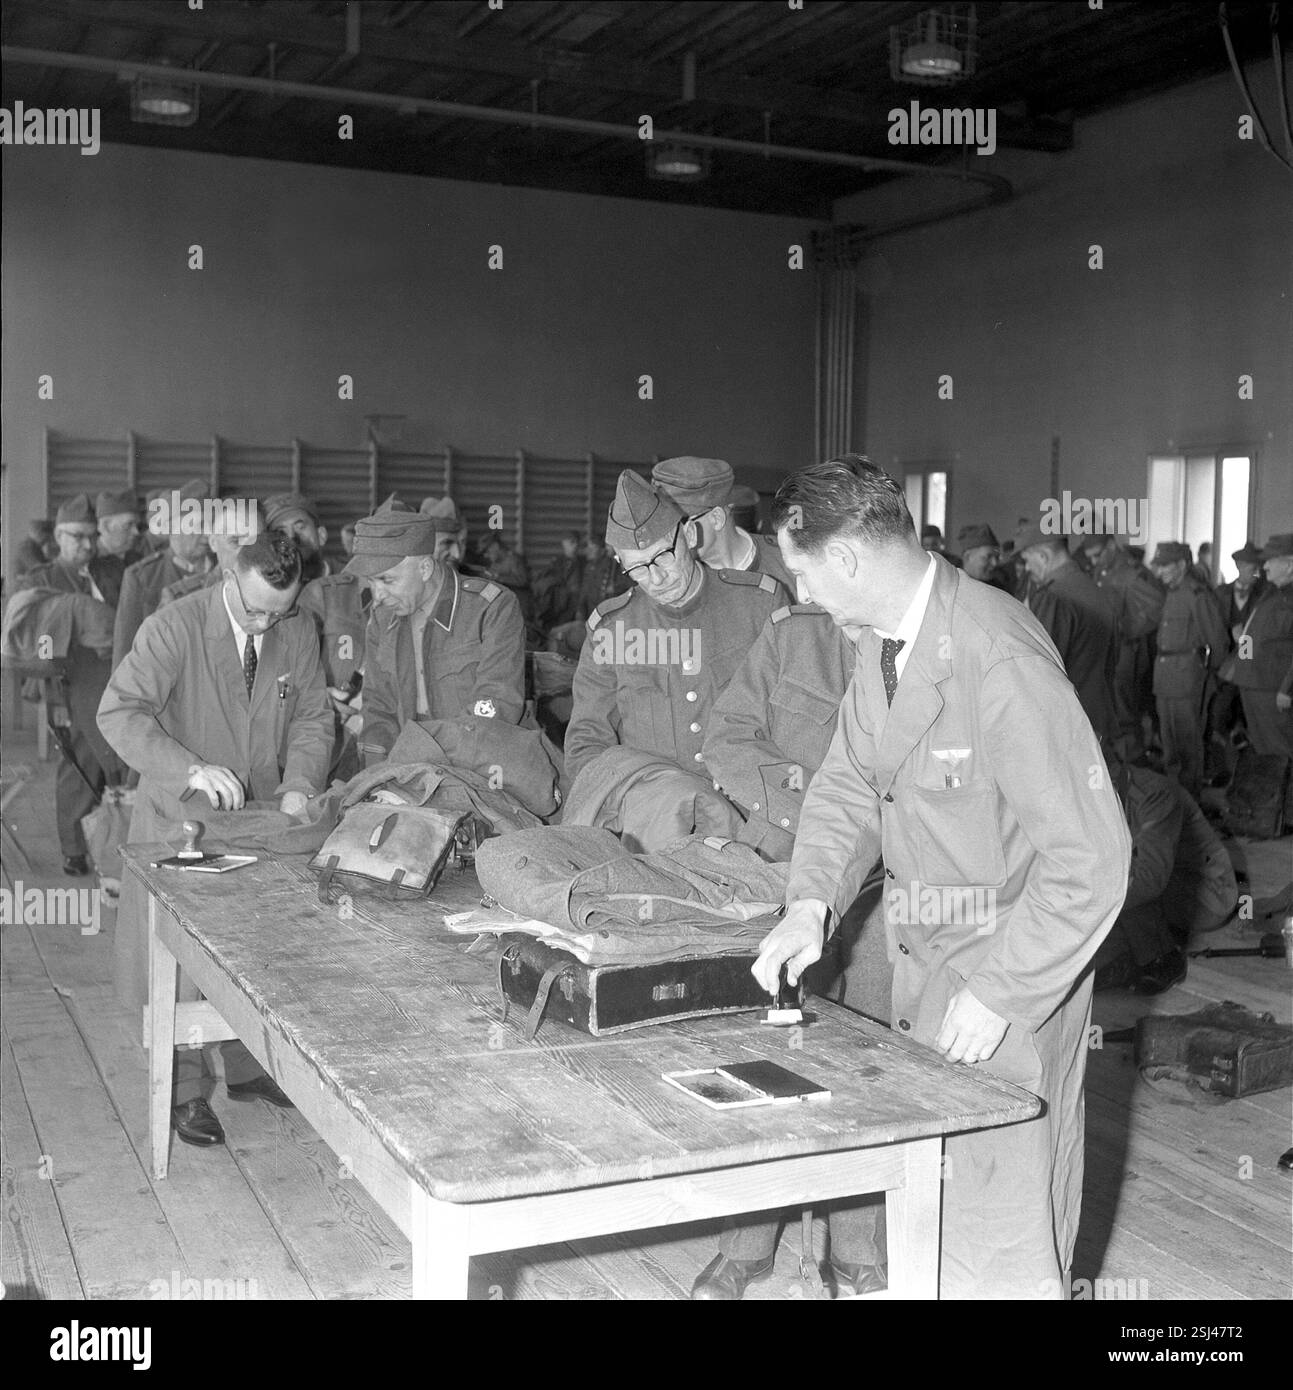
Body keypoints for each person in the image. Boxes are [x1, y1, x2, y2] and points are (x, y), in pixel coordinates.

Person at [752, 456, 1131, 1300]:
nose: (802, 592)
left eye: (802, 569)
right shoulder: (884, 642)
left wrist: (998, 992)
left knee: (1002, 1242)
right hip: (925, 969)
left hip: (1010, 980)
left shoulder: (996, 654)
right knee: (934, 1218)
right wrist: (810, 901)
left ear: (845, 558)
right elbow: (851, 779)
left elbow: (1092, 861)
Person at [98, 531, 333, 1148]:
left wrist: (301, 783)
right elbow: (119, 713)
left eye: (276, 613)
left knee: (253, 950)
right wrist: (188, 769)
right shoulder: (173, 627)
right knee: (180, 964)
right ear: (231, 575)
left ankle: (249, 1067)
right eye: (253, 609)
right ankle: (182, 1090)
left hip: (259, 819)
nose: (264, 624)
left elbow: (312, 714)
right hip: (184, 820)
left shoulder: (297, 630)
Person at [695, 603, 890, 1299]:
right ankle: (746, 1243)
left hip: (885, 897)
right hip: (786, 884)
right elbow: (727, 736)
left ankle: (857, 1244)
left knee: (868, 1069)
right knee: (766, 1064)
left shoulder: (930, 642)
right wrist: (806, 819)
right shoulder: (788, 633)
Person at [563, 471, 781, 847]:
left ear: (689, 537)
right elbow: (587, 739)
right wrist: (626, 803)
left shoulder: (759, 605)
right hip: (654, 827)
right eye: (636, 568)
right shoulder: (611, 628)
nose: (656, 577)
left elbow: (792, 722)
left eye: (662, 555)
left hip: (751, 825)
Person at [350, 497, 526, 764]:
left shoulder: (491, 609)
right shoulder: (382, 619)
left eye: (387, 580)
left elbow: (495, 709)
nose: (377, 596)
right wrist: (377, 777)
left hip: (482, 764)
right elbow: (378, 710)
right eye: (372, 582)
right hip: (407, 766)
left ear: (424, 567)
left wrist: (419, 755)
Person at [19, 494, 128, 875]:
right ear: (59, 538)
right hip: (69, 686)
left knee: (114, 766)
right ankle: (75, 849)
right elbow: (38, 647)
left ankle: (113, 844)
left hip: (115, 681)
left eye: (91, 536)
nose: (86, 545)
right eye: (77, 537)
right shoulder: (42, 580)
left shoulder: (111, 571)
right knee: (78, 767)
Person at [1092, 753, 1237, 995]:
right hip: (1169, 892)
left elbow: (1150, 879)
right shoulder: (1099, 791)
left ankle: (1163, 959)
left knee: (1123, 882)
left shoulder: (1156, 793)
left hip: (1208, 894)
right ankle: (1128, 953)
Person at [266, 493, 368, 781]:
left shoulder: (358, 584)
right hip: (296, 740)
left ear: (322, 534)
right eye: (281, 533)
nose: (292, 538)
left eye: (300, 527)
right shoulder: (262, 596)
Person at [1015, 524, 1119, 741]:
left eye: (1026, 560)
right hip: (1099, 714)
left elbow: (1041, 668)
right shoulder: (1095, 590)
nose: (1026, 568)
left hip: (1066, 722)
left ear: (1043, 556)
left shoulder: (1054, 597)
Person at [1149, 541, 1230, 797]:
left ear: (1182, 565)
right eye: (1157, 566)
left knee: (1187, 745)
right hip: (1165, 679)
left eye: (1165, 566)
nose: (1159, 572)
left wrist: (1208, 677)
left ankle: (1190, 803)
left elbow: (1218, 641)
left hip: (1188, 680)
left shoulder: (1197, 595)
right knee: (1170, 744)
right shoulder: (1170, 593)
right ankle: (1177, 801)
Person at [651, 456, 795, 598]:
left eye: (679, 525)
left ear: (716, 518)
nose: (668, 537)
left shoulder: (790, 562)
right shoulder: (674, 584)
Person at [1080, 534, 1164, 763]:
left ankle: (1135, 763)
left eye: (1098, 555)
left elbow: (1157, 606)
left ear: (1111, 545)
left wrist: (1127, 628)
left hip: (1124, 655)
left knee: (1124, 712)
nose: (1095, 561)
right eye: (1091, 558)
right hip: (1105, 653)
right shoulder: (1101, 571)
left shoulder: (1129, 573)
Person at [112, 479, 213, 668]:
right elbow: (125, 651)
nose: (208, 534)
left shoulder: (225, 570)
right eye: (198, 525)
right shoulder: (142, 577)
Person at [1229, 534, 1293, 757]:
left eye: (1270, 561)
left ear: (1288, 565)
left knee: (1281, 751)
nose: (1264, 566)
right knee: (1264, 750)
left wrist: (1287, 690)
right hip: (1251, 682)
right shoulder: (1270, 592)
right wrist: (1242, 661)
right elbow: (1251, 633)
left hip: (1272, 688)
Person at [533, 531, 585, 630]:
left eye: (576, 542)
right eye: (571, 542)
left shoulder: (584, 563)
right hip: (559, 605)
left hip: (578, 604)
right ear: (564, 544)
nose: (575, 545)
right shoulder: (556, 563)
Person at [956, 523, 1012, 592]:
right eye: (988, 557)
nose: (995, 563)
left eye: (997, 557)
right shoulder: (954, 587)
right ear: (968, 556)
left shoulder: (999, 589)